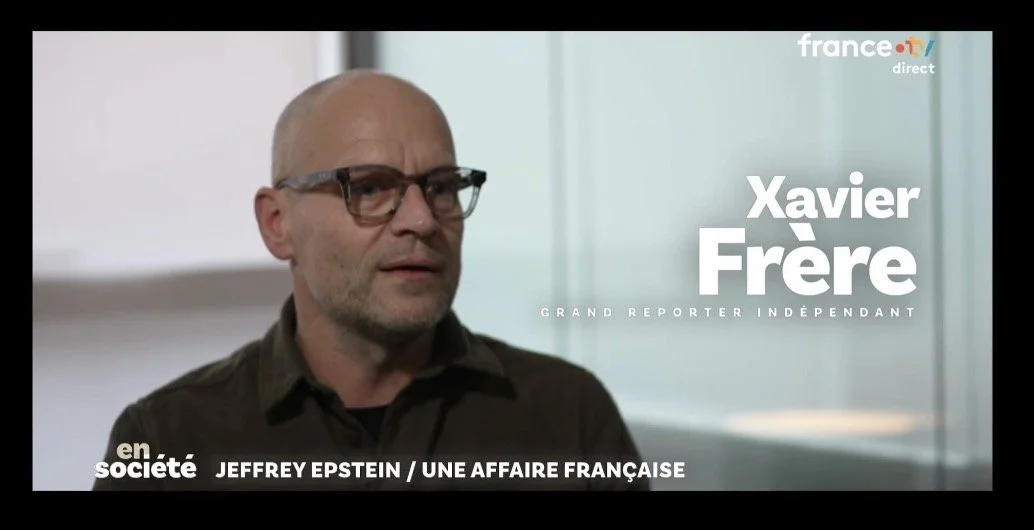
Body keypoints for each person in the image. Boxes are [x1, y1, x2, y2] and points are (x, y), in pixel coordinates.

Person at [92, 70, 647, 491]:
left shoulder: (568, 416)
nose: (422, 220)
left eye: (442, 187)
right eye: (370, 188)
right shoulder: (168, 440)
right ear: (277, 224)